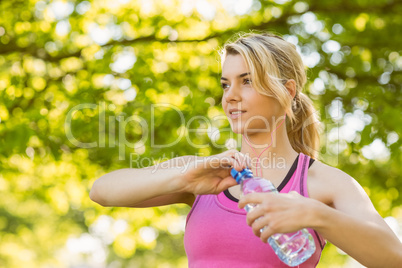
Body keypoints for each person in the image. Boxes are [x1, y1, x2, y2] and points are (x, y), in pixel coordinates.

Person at [90, 31, 402, 267]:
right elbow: (102, 191)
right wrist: (184, 180)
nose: (230, 96)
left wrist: (317, 215)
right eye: (226, 84)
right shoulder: (205, 174)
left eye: (247, 81)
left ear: (287, 91)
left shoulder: (324, 184)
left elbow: (393, 257)